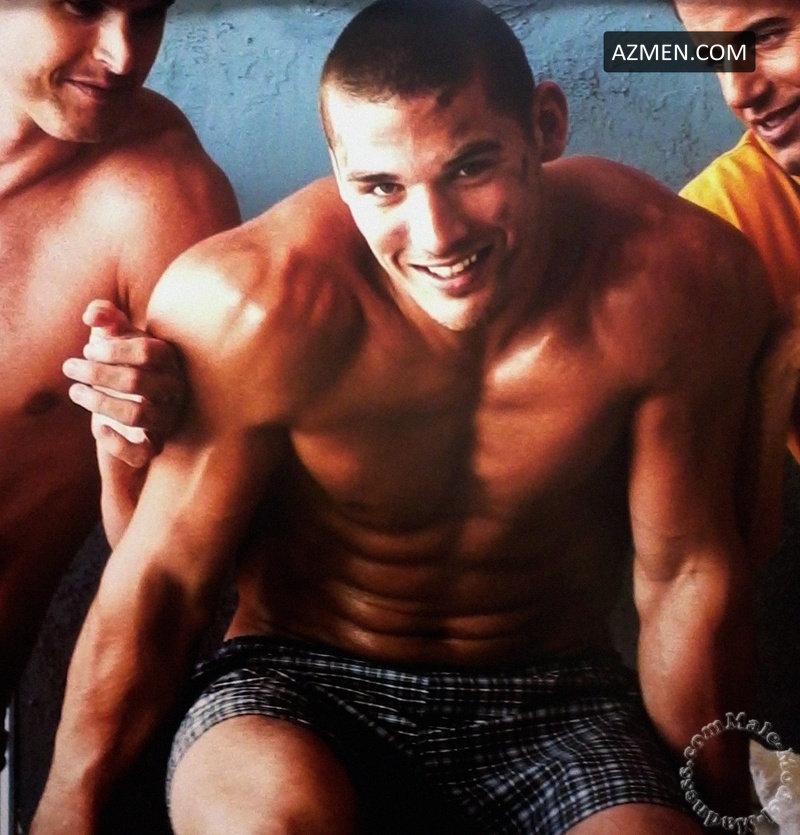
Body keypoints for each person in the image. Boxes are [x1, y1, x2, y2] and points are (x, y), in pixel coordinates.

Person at [33, 1, 779, 832]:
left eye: (470, 167)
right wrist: (65, 811)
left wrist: (727, 810)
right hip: (294, 685)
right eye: (381, 186)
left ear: (545, 126)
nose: (436, 235)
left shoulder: (670, 278)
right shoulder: (256, 301)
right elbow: (163, 583)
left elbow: (685, 576)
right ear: (338, 168)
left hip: (558, 697)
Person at [0, 0, 239, 764]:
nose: (124, 54)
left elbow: (174, 575)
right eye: (81, 5)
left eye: (148, 14)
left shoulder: (160, 196)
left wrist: (130, 450)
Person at [673, 0, 800, 765]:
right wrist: (780, 361)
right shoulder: (722, 224)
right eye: (714, 56)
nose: (738, 89)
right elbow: (719, 559)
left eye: (767, 37)